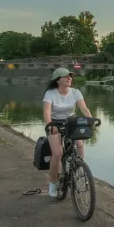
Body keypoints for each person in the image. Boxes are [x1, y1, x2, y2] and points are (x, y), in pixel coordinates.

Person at [43, 67, 92, 198]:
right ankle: (53, 183)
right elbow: (47, 112)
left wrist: (90, 121)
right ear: (58, 80)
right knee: (58, 153)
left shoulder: (75, 92)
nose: (69, 78)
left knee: (80, 147)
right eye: (66, 76)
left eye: (70, 76)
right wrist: (50, 125)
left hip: (71, 122)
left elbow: (84, 108)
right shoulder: (50, 93)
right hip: (55, 123)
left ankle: (79, 171)